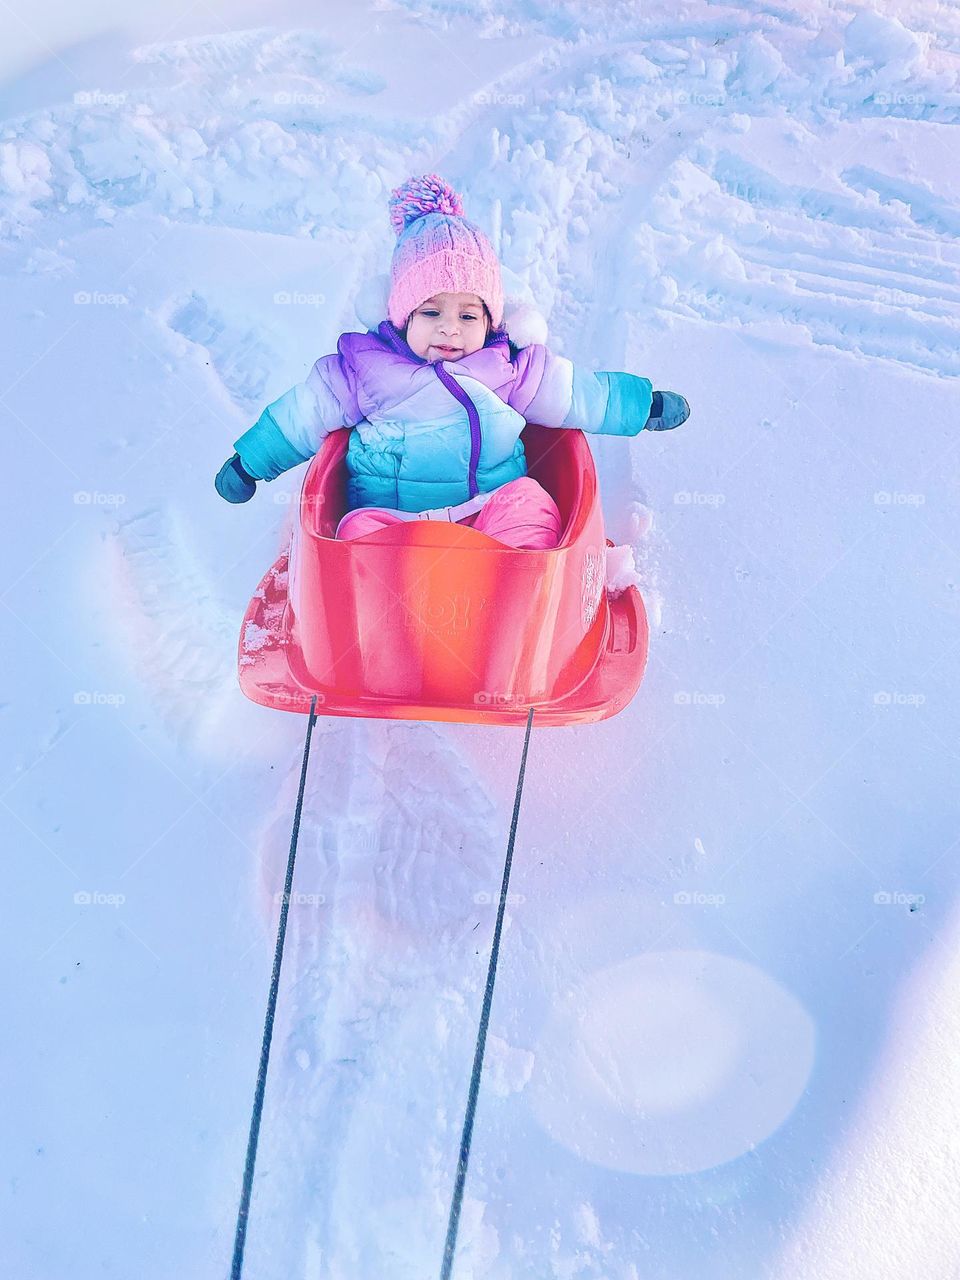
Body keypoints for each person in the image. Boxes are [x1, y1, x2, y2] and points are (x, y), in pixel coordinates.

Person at [215, 174, 690, 549]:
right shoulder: (362, 370)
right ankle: (379, 638)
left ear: (490, 321)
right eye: (431, 312)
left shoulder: (506, 368)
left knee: (530, 503)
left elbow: (574, 393)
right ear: (402, 315)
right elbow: (302, 415)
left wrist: (639, 405)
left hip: (485, 516)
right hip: (394, 525)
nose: (450, 328)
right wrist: (250, 462)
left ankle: (521, 616)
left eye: (467, 315)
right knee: (352, 531)